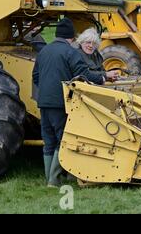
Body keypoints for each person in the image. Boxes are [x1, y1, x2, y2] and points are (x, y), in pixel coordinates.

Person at [32, 18, 105, 187]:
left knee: (48, 140)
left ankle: (48, 179)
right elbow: (83, 75)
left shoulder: (44, 51)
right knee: (62, 139)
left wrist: (46, 90)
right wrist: (102, 78)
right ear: (72, 38)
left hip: (43, 102)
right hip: (61, 103)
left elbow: (35, 76)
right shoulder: (70, 52)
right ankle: (54, 180)